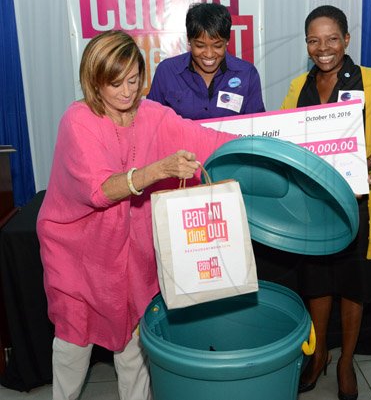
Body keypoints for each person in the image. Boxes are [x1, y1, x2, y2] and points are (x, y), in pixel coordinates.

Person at [37, 30, 236, 400]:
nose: (127, 92)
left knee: (132, 345)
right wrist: (158, 170)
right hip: (78, 257)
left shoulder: (152, 115)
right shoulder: (77, 120)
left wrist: (266, 144)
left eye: (133, 80)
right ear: (94, 82)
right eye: (115, 84)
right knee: (72, 347)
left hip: (132, 256)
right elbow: (99, 190)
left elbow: (206, 139)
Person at [281, 5, 371, 400]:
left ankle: (346, 361)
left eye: (332, 38)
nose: (324, 48)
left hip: (356, 204)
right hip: (312, 207)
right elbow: (285, 137)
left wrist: (364, 163)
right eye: (314, 40)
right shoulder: (298, 86)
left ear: (347, 40)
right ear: (306, 45)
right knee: (317, 283)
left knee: (351, 285)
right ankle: (318, 356)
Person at [147, 2, 265, 119]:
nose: (209, 54)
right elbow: (151, 122)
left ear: (227, 41)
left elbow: (257, 127)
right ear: (189, 40)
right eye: (200, 46)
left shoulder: (247, 74)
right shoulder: (167, 72)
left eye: (217, 46)